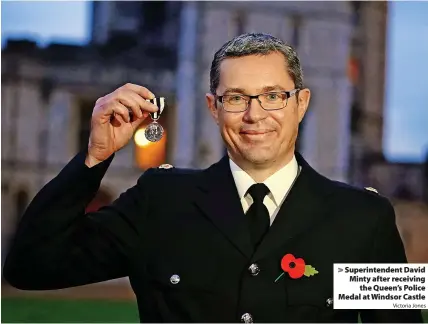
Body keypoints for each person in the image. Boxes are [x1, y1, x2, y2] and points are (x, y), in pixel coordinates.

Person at [3, 33, 423, 323]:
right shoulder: (161, 202)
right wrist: (94, 158)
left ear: (301, 104)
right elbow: (31, 267)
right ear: (212, 107)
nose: (254, 115)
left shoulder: (364, 217)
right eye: (235, 98)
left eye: (274, 96)